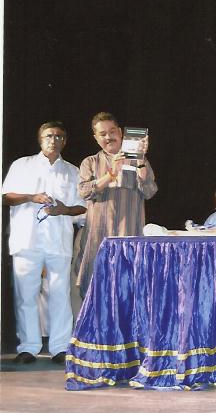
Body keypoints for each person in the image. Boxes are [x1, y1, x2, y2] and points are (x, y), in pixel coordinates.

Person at [2, 121, 86, 364]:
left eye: (59, 136)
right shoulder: (22, 165)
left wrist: (64, 209)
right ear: (40, 139)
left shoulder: (72, 171)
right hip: (26, 239)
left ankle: (60, 348)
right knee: (26, 296)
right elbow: (6, 197)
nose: (54, 140)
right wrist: (31, 197)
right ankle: (28, 347)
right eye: (49, 136)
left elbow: (82, 207)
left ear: (65, 141)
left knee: (60, 295)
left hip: (58, 241)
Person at [75, 112, 158, 298]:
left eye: (112, 131)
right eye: (102, 134)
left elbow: (150, 191)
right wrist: (110, 174)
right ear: (95, 138)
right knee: (95, 292)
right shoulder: (90, 162)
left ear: (120, 133)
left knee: (128, 291)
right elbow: (84, 191)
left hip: (129, 235)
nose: (108, 137)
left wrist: (141, 162)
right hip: (98, 239)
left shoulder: (138, 160)